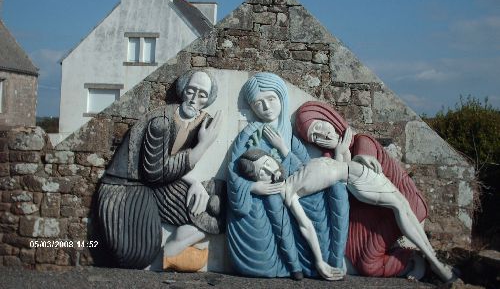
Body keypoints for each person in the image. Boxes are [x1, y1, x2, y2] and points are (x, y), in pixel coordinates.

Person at [237, 148, 456, 283]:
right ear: (260, 180)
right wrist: (320, 261)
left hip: (358, 170)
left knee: (404, 207)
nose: (269, 171)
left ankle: (433, 259)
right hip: (356, 180)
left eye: (267, 164)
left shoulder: (294, 169)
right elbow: (306, 227)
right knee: (401, 208)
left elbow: (336, 157)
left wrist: (360, 158)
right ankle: (435, 263)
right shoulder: (288, 192)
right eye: (262, 173)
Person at [295, 101, 445, 279]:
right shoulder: (329, 159)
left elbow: (366, 161)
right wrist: (339, 154)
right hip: (369, 212)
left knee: (368, 264)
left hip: (399, 206)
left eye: (320, 126)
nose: (322, 135)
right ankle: (409, 259)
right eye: (314, 136)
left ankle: (423, 260)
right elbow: (341, 195)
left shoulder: (361, 140)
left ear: (330, 119)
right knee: (368, 266)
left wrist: (358, 157)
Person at [97, 70, 225, 270]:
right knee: (137, 255)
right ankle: (171, 254)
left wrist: (195, 182)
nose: (194, 100)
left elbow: (170, 163)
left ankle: (175, 247)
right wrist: (203, 146)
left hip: (161, 183)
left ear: (208, 99)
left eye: (202, 95)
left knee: (216, 204)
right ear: (183, 91)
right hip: (127, 184)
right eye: (191, 91)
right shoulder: (162, 122)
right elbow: (154, 171)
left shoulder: (200, 122)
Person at [227, 73, 349, 280]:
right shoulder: (250, 133)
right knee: (274, 200)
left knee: (336, 191)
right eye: (259, 103)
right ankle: (295, 266)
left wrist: (283, 149)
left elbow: (305, 169)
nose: (266, 107)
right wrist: (254, 188)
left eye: (271, 99)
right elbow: (233, 170)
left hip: (294, 191)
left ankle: (332, 260)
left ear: (281, 98)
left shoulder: (290, 137)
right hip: (267, 198)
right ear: (252, 107)